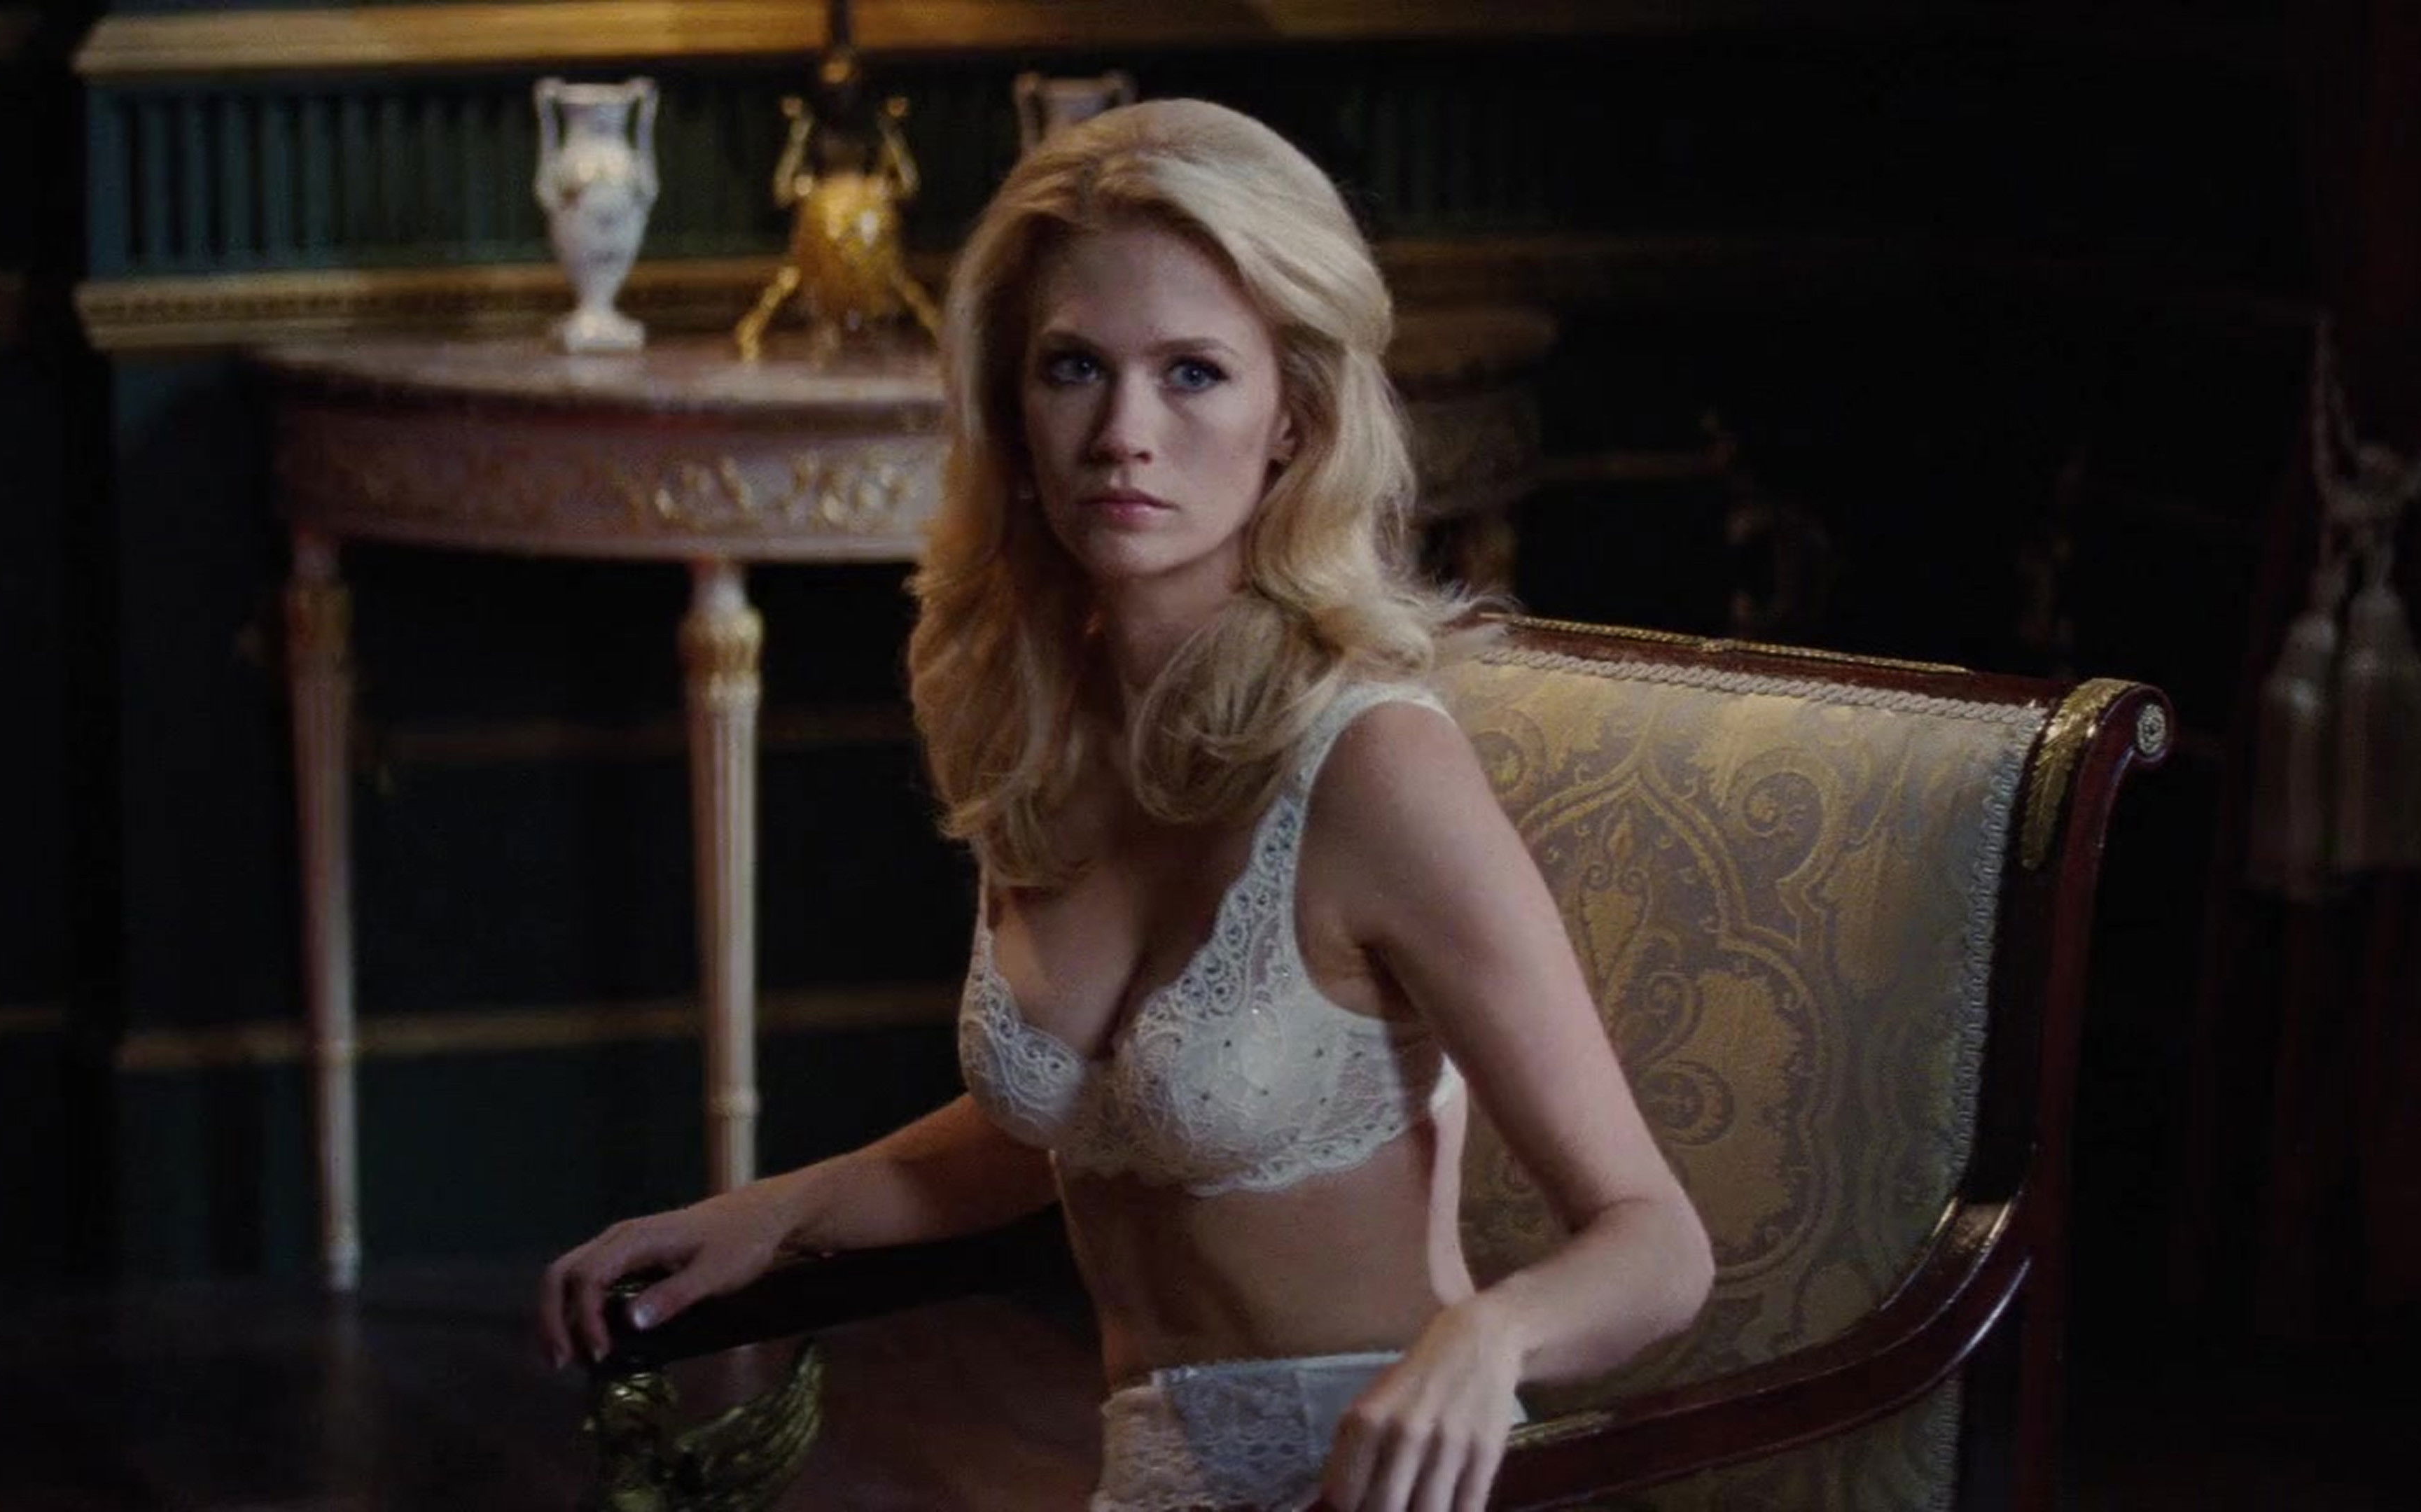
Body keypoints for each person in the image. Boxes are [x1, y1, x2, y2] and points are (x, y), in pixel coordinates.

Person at [540, 98, 1712, 1512]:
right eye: (1075, 368)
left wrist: (1489, 1339)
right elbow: (1081, 1124)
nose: (1123, 434)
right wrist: (779, 1213)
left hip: (1386, 1481)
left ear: (1293, 418)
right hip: (1149, 1476)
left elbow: (1657, 1243)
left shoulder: (1374, 768)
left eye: (1194, 373)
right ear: (1011, 405)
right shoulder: (1034, 725)